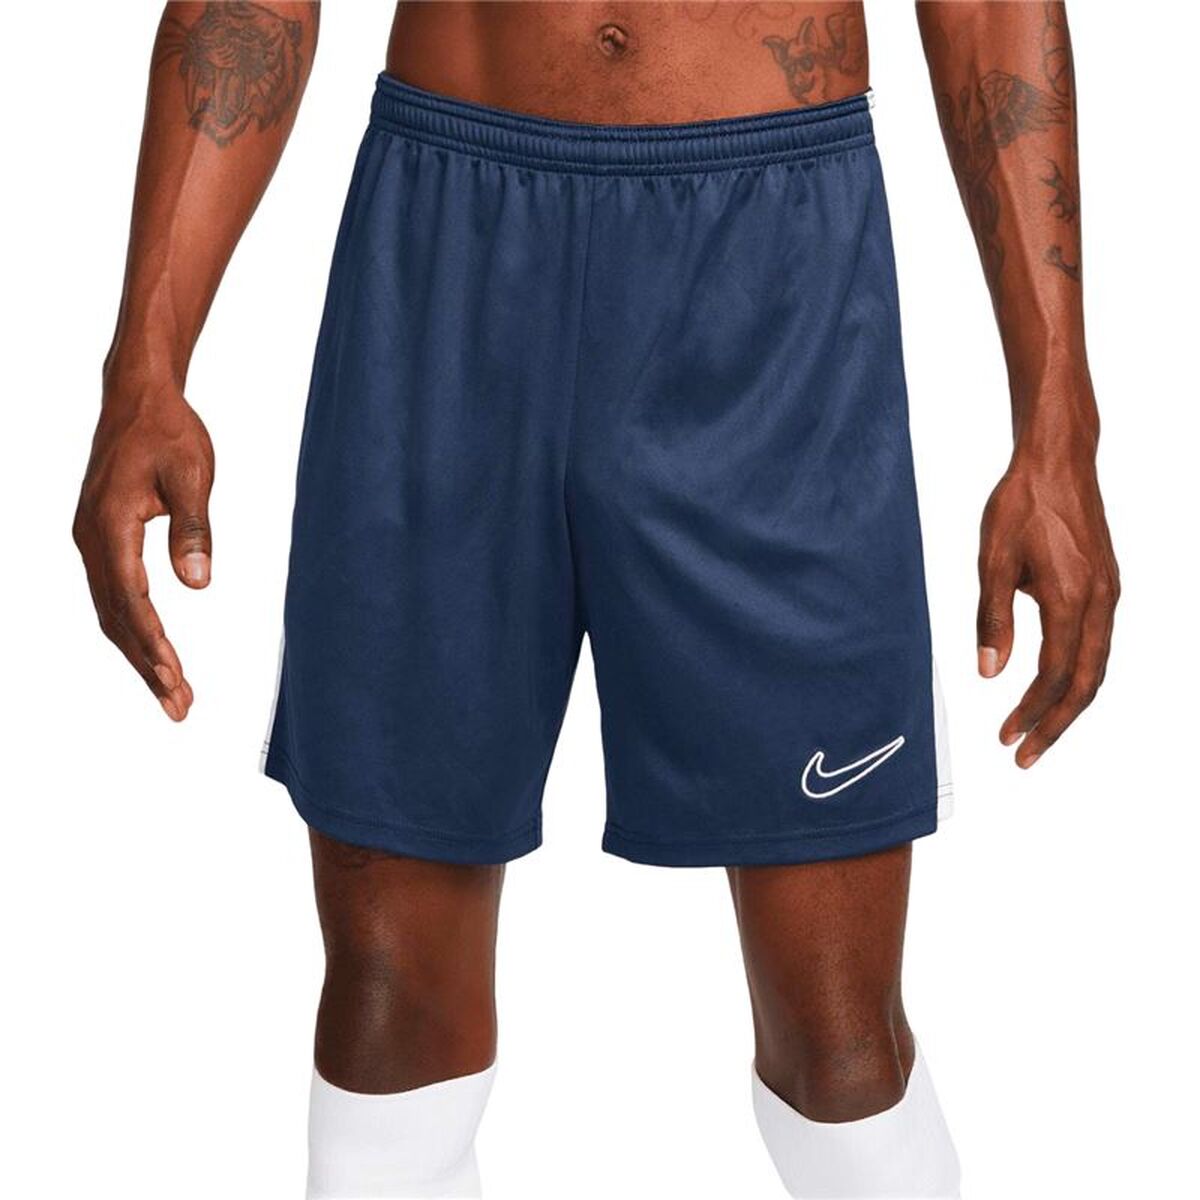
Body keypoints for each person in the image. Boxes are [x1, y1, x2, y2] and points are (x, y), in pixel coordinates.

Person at [73, 3, 1118, 1196]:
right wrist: (145, 364)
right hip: (448, 246)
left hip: (769, 267)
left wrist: (1056, 423)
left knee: (839, 1052)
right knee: (389, 1013)